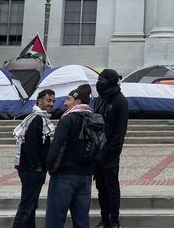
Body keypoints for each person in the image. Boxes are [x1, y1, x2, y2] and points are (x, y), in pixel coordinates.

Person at [45, 84, 95, 228]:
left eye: (68, 99)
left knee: (55, 219)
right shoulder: (94, 119)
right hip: (85, 175)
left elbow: (57, 146)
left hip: (65, 175)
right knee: (81, 220)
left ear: (77, 101)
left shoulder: (68, 119)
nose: (65, 103)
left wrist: (50, 167)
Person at [13, 88, 56, 228]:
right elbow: (30, 145)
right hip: (31, 170)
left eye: (53, 101)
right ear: (40, 101)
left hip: (31, 169)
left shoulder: (40, 118)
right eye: (48, 100)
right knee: (26, 207)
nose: (51, 104)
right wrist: (37, 166)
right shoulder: (37, 119)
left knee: (31, 206)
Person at [93, 69, 128, 228]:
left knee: (111, 187)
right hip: (97, 151)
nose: (99, 83)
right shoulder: (99, 99)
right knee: (101, 187)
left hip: (110, 153)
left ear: (111, 82)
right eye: (98, 79)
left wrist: (110, 150)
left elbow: (120, 131)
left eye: (102, 80)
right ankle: (104, 219)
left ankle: (114, 221)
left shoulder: (120, 100)